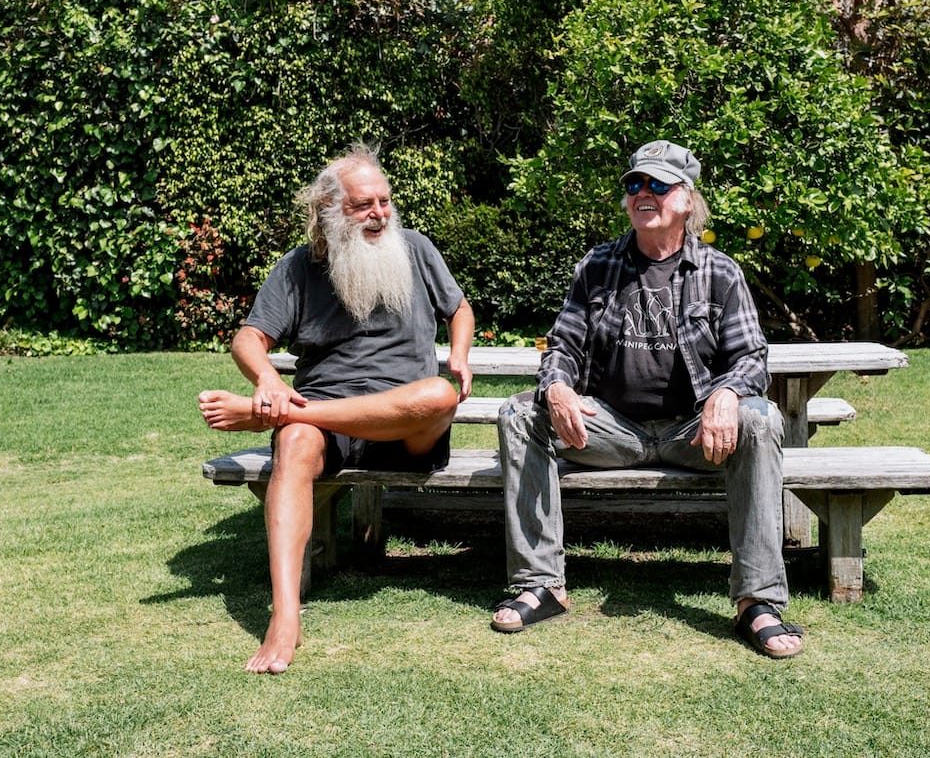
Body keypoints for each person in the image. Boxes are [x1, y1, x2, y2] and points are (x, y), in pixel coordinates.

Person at [492, 140, 804, 659]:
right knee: (520, 413)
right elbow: (563, 344)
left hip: (693, 432)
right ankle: (542, 585)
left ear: (686, 200)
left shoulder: (719, 271)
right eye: (635, 184)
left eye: (659, 185)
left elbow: (752, 358)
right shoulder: (598, 265)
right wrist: (559, 387)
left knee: (761, 419)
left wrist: (726, 392)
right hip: (611, 428)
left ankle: (757, 601)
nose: (643, 193)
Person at [198, 143, 474, 674]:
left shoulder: (415, 249)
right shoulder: (298, 268)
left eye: (385, 202)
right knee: (296, 443)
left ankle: (279, 417)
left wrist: (459, 353)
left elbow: (458, 308)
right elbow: (248, 338)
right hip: (327, 416)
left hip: (406, 423)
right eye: (363, 205)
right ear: (329, 211)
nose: (379, 214)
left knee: (439, 393)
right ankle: (284, 616)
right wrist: (266, 377)